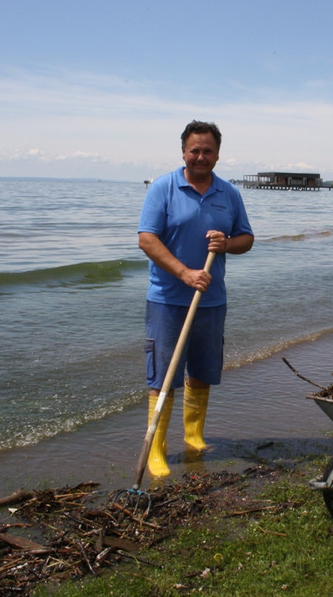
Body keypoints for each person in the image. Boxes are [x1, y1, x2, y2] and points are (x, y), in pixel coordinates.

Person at [137, 120, 254, 477]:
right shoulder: (163, 188)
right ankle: (157, 448)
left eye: (208, 151)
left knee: (201, 372)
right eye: (194, 150)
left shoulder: (228, 194)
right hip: (168, 300)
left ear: (217, 154)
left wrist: (227, 244)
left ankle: (194, 436)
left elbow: (246, 239)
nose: (201, 157)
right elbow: (147, 239)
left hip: (211, 301)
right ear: (183, 152)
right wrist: (185, 273)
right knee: (163, 377)